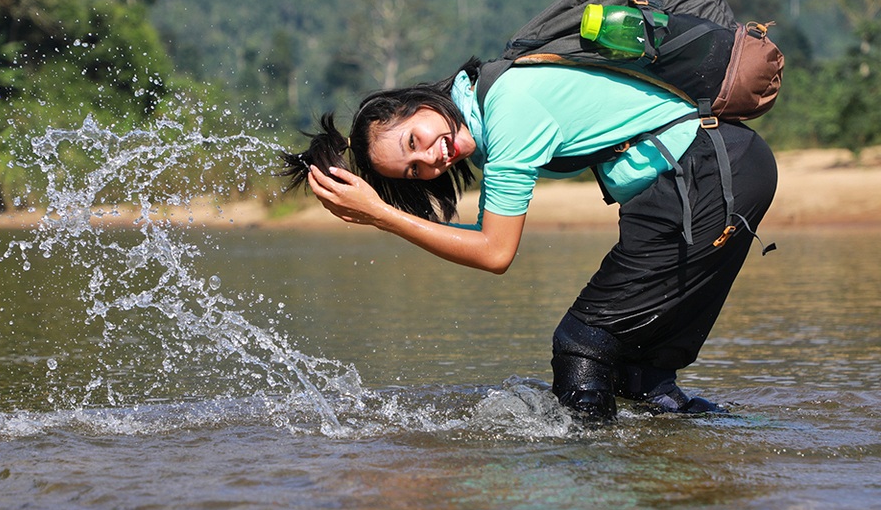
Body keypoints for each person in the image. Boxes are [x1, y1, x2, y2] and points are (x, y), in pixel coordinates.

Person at [280, 57, 777, 421]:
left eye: (415, 139)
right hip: (715, 170)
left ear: (418, 103)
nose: (432, 158)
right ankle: (724, 446)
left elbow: (495, 253)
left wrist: (384, 216)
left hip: (707, 173)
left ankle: (584, 486)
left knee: (583, 343)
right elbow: (482, 238)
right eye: (415, 168)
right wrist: (383, 214)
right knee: (637, 374)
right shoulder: (487, 104)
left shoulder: (508, 109)